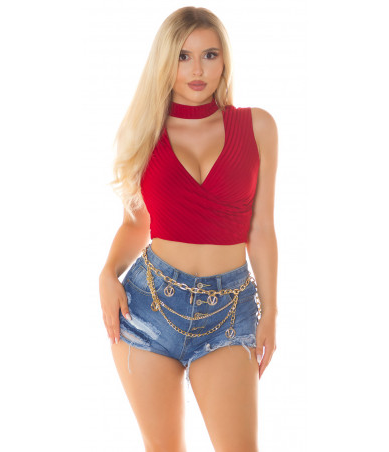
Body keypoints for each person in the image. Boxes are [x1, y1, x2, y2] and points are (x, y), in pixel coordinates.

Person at [99, 6, 278, 452]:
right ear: (165, 61)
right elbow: (135, 224)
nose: (197, 70)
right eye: (183, 56)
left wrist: (271, 312)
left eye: (209, 55)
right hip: (148, 306)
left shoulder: (258, 126)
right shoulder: (143, 131)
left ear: (224, 60)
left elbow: (261, 227)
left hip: (230, 311)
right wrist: (107, 273)